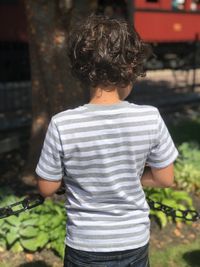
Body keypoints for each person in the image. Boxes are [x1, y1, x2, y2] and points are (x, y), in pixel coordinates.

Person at [36, 15, 178, 267]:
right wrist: (134, 178)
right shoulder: (149, 117)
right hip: (133, 240)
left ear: (81, 69)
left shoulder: (62, 123)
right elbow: (165, 179)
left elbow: (47, 188)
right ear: (130, 68)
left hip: (85, 243)